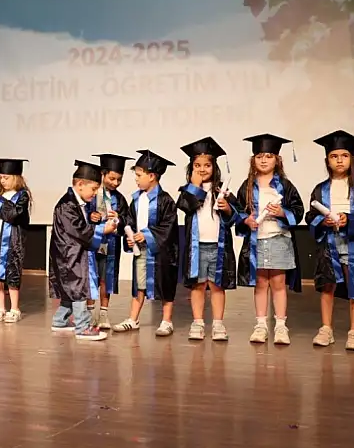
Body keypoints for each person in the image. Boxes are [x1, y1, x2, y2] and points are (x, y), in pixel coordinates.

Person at [306, 130, 354, 351]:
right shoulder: (320, 190)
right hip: (329, 243)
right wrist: (322, 221)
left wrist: (349, 219)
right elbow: (310, 216)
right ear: (327, 160)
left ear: (351, 159)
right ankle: (326, 328)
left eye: (344, 156)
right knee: (328, 286)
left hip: (353, 244)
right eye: (334, 156)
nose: (339, 160)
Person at [234, 134, 305, 346]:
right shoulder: (248, 186)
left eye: (269, 156)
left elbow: (298, 209)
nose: (264, 160)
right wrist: (246, 220)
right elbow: (238, 212)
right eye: (259, 156)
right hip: (257, 240)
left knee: (278, 282)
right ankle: (260, 325)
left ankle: (281, 325)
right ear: (253, 160)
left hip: (278, 239)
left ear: (277, 159)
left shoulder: (284, 185)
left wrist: (282, 212)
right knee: (260, 283)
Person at [176, 137, 240, 342]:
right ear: (191, 168)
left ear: (214, 167)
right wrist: (194, 186)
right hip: (197, 247)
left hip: (218, 246)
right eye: (197, 165)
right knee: (198, 285)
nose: (202, 169)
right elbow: (185, 206)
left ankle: (218, 324)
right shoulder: (187, 190)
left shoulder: (223, 190)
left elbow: (236, 217)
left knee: (217, 285)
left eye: (207, 165)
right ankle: (198, 323)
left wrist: (227, 209)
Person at [112, 150, 179, 337]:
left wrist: (147, 235)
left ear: (152, 176)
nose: (136, 179)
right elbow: (130, 221)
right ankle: (133, 319)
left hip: (161, 253)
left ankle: (166, 321)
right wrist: (128, 232)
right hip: (141, 251)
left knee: (165, 285)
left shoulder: (165, 200)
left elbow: (168, 226)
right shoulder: (136, 199)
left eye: (139, 175)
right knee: (139, 285)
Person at [48, 160, 117, 341]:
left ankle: (60, 321)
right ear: (80, 184)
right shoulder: (67, 205)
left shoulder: (76, 203)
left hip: (69, 252)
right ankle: (83, 326)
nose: (95, 194)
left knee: (70, 289)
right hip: (69, 254)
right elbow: (79, 230)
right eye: (93, 189)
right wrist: (103, 229)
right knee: (78, 287)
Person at [0, 158, 31, 323]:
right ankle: (1, 308)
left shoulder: (22, 195)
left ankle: (15, 308)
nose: (3, 181)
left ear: (16, 178)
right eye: (1, 177)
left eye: (6, 177)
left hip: (12, 242)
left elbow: (13, 214)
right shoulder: (0, 195)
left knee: (12, 275)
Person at [86, 153, 132, 329]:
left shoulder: (119, 198)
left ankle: (104, 313)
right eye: (112, 178)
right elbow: (81, 214)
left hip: (110, 244)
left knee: (107, 277)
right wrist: (91, 216)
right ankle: (89, 313)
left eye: (119, 179)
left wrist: (119, 218)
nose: (115, 183)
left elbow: (127, 220)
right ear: (102, 174)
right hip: (92, 242)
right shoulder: (92, 193)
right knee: (91, 276)